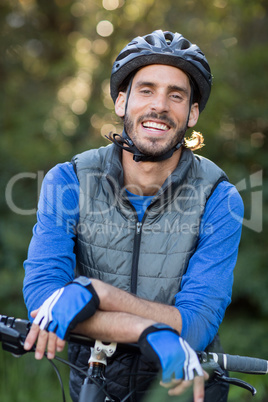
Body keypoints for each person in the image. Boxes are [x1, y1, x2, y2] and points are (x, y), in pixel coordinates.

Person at [23, 30, 244, 401]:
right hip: (91, 378)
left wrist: (95, 292)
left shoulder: (219, 199)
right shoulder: (69, 180)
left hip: (180, 386)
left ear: (191, 114)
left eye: (176, 95)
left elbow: (195, 325)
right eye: (146, 90)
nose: (159, 106)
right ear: (122, 102)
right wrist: (149, 331)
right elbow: (45, 301)